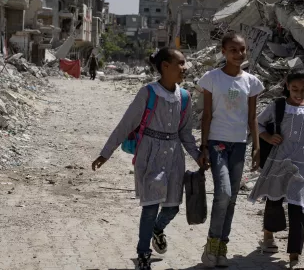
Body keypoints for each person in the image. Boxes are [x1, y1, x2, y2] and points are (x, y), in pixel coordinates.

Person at [91, 47, 202, 270]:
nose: (185, 68)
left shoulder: (184, 96)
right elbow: (127, 123)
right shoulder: (148, 93)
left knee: (172, 207)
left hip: (174, 158)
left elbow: (185, 134)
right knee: (150, 207)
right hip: (150, 155)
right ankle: (143, 253)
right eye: (180, 63)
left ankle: (157, 229)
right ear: (165, 66)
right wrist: (106, 153)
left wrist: (199, 157)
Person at [198, 32, 264, 268]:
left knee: (233, 198)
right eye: (233, 50)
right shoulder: (211, 78)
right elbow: (206, 115)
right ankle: (211, 245)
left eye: (242, 49)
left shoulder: (252, 82)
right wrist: (204, 146)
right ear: (223, 51)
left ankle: (222, 247)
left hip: (239, 145)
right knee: (223, 192)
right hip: (217, 143)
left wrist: (256, 147)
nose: (239, 54)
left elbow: (252, 117)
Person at [248, 69, 304, 270]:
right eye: (294, 88)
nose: (299, 93)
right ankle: (268, 235)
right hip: (279, 157)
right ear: (287, 86)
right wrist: (268, 138)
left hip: (302, 161)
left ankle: (294, 256)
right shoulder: (278, 106)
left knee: (298, 205)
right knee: (274, 197)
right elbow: (257, 123)